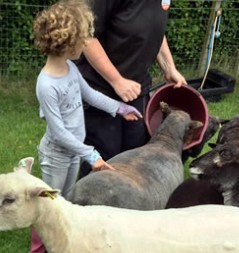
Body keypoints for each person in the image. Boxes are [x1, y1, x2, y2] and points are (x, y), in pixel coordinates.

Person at [29, 0, 142, 253]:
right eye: (83, 39)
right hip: (57, 154)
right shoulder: (46, 84)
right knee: (49, 202)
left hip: (73, 152)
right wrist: (91, 154)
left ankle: (60, 244)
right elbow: (58, 132)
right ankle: (38, 250)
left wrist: (119, 107)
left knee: (66, 200)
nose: (87, 44)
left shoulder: (71, 70)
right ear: (66, 43)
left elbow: (90, 95)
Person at [75, 0, 188, 177]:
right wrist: (117, 81)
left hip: (137, 88)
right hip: (99, 89)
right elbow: (86, 36)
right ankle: (87, 202)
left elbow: (153, 28)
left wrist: (169, 67)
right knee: (103, 160)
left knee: (135, 155)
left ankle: (127, 202)